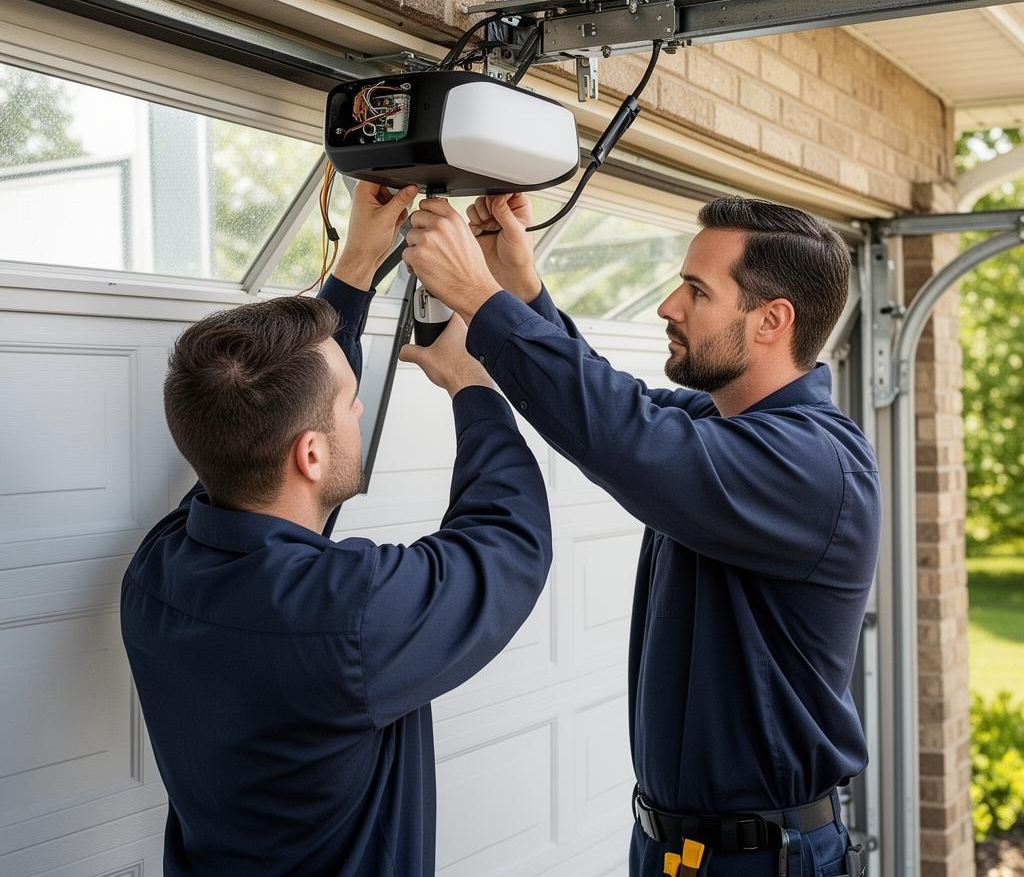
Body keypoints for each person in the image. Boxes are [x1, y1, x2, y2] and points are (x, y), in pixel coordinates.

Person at [401, 192, 878, 877]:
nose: (667, 307)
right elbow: (612, 400)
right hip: (677, 850)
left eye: (695, 291)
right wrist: (519, 285)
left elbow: (623, 436)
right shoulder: (728, 430)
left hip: (761, 860)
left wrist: (480, 298)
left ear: (773, 320)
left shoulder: (812, 467)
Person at [119, 181, 552, 877]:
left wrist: (356, 266)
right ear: (310, 455)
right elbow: (508, 544)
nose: (359, 409)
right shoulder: (348, 616)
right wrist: (475, 386)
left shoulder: (159, 568)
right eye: (351, 402)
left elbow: (264, 428)